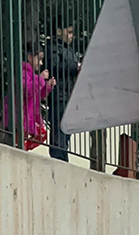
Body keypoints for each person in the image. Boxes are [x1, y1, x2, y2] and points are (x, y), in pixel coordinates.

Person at [43, 18, 81, 162]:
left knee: (66, 129)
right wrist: (74, 66)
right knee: (59, 127)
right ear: (59, 31)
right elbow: (53, 67)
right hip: (58, 93)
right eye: (69, 32)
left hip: (69, 95)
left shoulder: (70, 51)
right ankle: (58, 155)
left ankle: (63, 154)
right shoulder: (51, 48)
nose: (72, 36)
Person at [3, 45, 54, 151]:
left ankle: (25, 147)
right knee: (15, 145)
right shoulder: (23, 70)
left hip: (27, 118)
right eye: (39, 59)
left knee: (40, 135)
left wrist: (48, 86)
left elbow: (37, 96)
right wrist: (39, 78)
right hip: (19, 118)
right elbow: (28, 91)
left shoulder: (31, 75)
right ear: (30, 57)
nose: (40, 63)